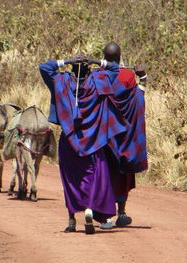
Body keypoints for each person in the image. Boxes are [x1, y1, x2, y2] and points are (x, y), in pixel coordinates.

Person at [39, 55, 129, 234]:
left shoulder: (60, 82)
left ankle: (72, 221)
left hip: (70, 142)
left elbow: (44, 68)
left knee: (70, 180)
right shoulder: (99, 81)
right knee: (94, 178)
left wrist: (67, 61)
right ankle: (89, 208)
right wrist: (95, 61)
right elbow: (114, 69)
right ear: (90, 71)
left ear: (72, 70)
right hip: (94, 140)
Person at [100, 42, 148, 229]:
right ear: (120, 59)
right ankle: (122, 213)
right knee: (122, 173)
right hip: (123, 134)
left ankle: (106, 215)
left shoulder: (99, 75)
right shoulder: (128, 75)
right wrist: (143, 77)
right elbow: (136, 98)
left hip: (103, 132)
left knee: (104, 172)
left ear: (103, 58)